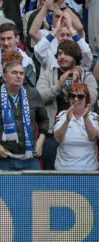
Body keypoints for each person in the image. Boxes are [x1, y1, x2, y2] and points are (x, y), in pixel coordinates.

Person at [0, 62, 49, 171]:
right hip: (3, 160)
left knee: (32, 189)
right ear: (5, 77)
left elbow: (44, 120)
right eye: (14, 73)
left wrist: (40, 142)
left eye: (21, 73)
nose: (19, 76)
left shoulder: (33, 94)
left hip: (30, 159)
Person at [36, 41, 97, 170]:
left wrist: (77, 83)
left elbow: (91, 99)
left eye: (67, 54)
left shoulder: (87, 76)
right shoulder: (48, 74)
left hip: (81, 132)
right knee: (50, 174)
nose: (62, 57)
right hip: (52, 131)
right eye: (59, 54)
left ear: (76, 57)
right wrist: (58, 86)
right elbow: (39, 97)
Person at [53, 83, 99, 171]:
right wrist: (67, 121)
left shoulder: (93, 116)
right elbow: (58, 138)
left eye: (80, 96)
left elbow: (93, 137)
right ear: (69, 99)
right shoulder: (62, 115)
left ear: (87, 100)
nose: (76, 99)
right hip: (63, 171)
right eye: (73, 96)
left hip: (89, 171)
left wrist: (86, 119)